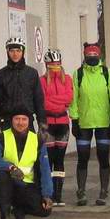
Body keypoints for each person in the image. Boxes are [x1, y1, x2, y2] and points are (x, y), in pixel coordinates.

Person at [0, 109, 53, 219]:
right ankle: (5, 218)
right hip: (5, 185)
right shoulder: (1, 138)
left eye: (24, 119)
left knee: (45, 211)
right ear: (11, 121)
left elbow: (45, 169)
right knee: (3, 177)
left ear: (29, 121)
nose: (20, 123)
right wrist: (10, 167)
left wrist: (47, 194)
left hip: (26, 186)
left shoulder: (37, 140)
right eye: (17, 119)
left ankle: (19, 210)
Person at [69, 43, 110, 206]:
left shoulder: (107, 73)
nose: (92, 59)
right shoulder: (79, 73)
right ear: (84, 56)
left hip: (104, 122)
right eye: (88, 56)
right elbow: (74, 97)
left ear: (99, 56)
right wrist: (74, 119)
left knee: (103, 157)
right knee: (83, 157)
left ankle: (103, 191)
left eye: (94, 56)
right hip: (84, 121)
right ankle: (81, 191)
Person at [0, 37, 47, 138]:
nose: (15, 54)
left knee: (29, 153)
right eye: (12, 51)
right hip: (7, 123)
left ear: (23, 52)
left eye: (18, 50)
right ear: (7, 52)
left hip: (27, 122)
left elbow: (38, 100)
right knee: (8, 153)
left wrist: (42, 123)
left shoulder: (32, 73)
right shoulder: (0, 75)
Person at [40, 48, 73, 206]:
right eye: (52, 64)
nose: (55, 66)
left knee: (60, 161)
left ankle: (59, 195)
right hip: (48, 125)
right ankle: (49, 193)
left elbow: (69, 98)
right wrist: (59, 103)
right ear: (47, 65)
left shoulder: (67, 79)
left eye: (57, 63)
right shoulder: (41, 81)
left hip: (63, 124)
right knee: (49, 160)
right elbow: (43, 102)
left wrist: (55, 101)